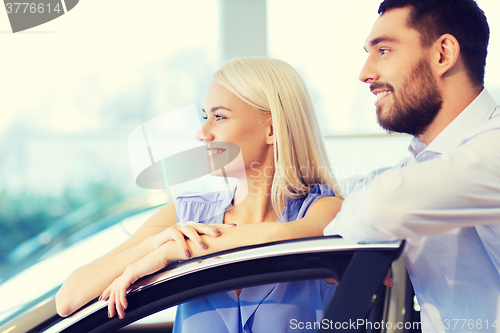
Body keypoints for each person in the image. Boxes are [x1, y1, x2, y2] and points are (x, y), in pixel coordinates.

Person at [56, 56, 343, 332]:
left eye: (219, 117)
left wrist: (170, 253)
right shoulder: (185, 215)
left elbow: (285, 239)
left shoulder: (325, 211)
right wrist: (154, 246)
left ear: (271, 129)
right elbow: (68, 299)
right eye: (205, 116)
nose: (202, 133)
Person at [324, 0, 500, 331]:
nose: (365, 74)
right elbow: (346, 199)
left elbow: (379, 207)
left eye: (384, 51)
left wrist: (357, 233)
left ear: (443, 54)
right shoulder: (415, 168)